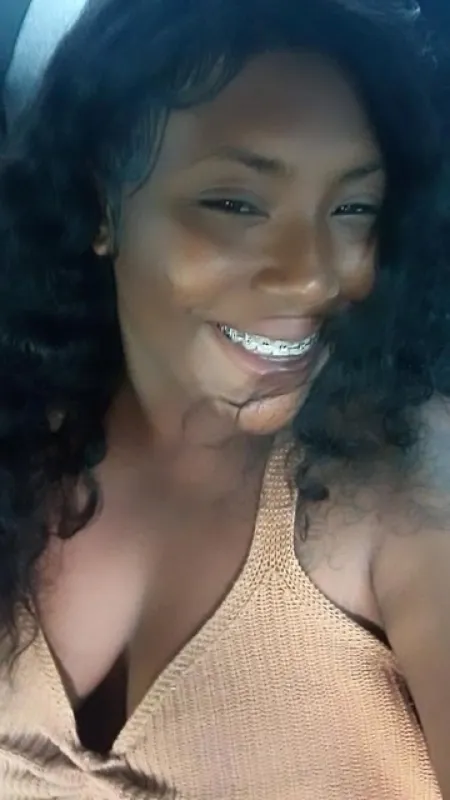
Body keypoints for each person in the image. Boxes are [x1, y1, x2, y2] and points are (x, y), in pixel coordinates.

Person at [0, 0, 449, 796]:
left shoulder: (399, 488)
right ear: (102, 206)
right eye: (236, 204)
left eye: (353, 208)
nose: (312, 275)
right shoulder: (21, 440)